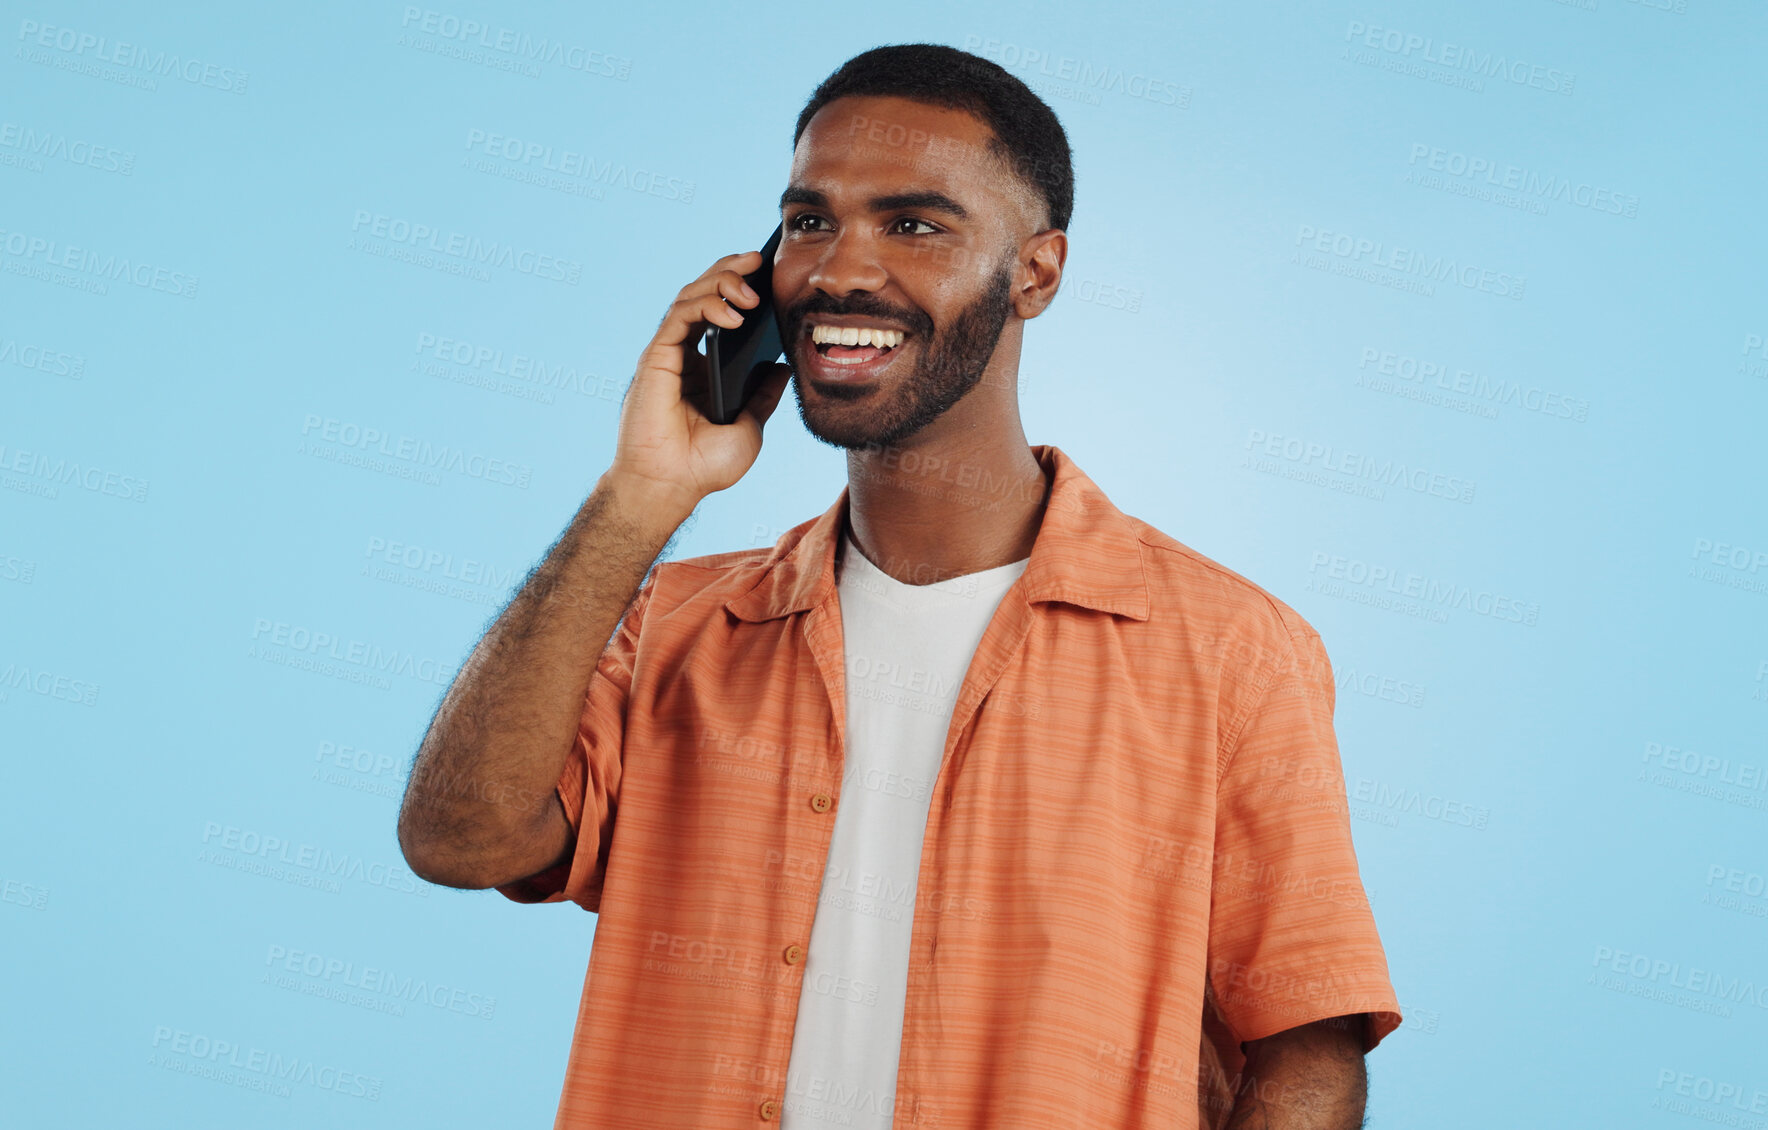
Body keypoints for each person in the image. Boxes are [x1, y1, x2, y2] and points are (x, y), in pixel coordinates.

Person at [397, 42, 1401, 1130]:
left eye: (914, 224)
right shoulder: (678, 624)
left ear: (1036, 271)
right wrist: (642, 495)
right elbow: (462, 839)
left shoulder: (1230, 649)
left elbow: (1305, 1051)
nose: (836, 270)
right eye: (810, 220)